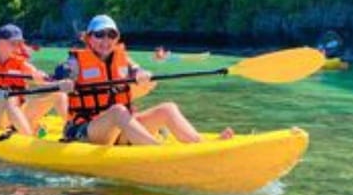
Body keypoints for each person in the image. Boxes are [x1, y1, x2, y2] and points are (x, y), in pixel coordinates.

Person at [57, 14, 233, 145]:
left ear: (117, 38)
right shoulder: (76, 61)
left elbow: (137, 70)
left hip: (118, 131)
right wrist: (65, 81)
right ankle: (157, 152)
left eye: (111, 35)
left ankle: (200, 146)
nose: (106, 40)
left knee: (168, 108)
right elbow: (64, 70)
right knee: (118, 110)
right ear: (89, 37)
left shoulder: (122, 58)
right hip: (86, 132)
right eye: (99, 34)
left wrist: (142, 75)